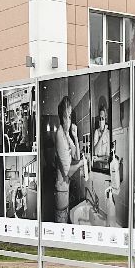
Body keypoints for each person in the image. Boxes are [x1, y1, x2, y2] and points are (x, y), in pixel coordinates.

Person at [51, 95, 79, 223]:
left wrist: (76, 137)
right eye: (67, 116)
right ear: (62, 117)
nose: (69, 120)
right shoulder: (60, 136)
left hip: (65, 187)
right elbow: (69, 172)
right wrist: (82, 163)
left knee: (65, 220)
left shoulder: (66, 135)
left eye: (70, 116)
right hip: (61, 190)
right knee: (61, 223)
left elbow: (76, 156)